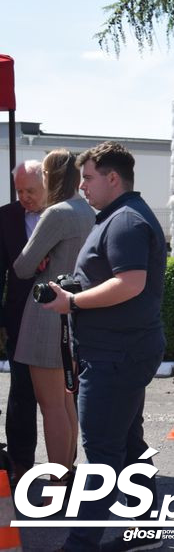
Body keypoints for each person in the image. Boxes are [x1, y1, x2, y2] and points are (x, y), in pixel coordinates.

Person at [41, 141, 167, 550]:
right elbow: (114, 277)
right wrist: (77, 288)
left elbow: (130, 283)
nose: (81, 186)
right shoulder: (117, 216)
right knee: (127, 443)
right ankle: (146, 531)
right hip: (119, 352)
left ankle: (81, 542)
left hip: (116, 355)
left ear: (113, 178)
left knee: (102, 451)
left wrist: (73, 301)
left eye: (89, 178)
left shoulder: (126, 220)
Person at [12, 150, 94, 485]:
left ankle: (58, 483)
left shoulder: (56, 213)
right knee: (66, 402)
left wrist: (42, 256)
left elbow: (22, 266)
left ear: (51, 176)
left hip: (46, 317)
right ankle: (68, 474)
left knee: (52, 408)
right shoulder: (86, 210)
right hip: (73, 314)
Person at [0, 161, 43, 483]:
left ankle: (63, 468)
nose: (24, 197)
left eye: (30, 190)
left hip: (63, 321)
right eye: (19, 191)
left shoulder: (68, 214)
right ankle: (21, 465)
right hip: (18, 319)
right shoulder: (6, 217)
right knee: (21, 395)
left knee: (64, 401)